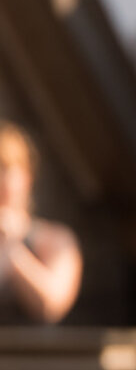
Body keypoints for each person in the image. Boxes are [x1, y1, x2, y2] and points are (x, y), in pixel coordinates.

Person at [0, 121, 82, 323]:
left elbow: (52, 306)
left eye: (5, 168)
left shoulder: (56, 240)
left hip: (36, 352)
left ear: (26, 176)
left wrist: (12, 250)